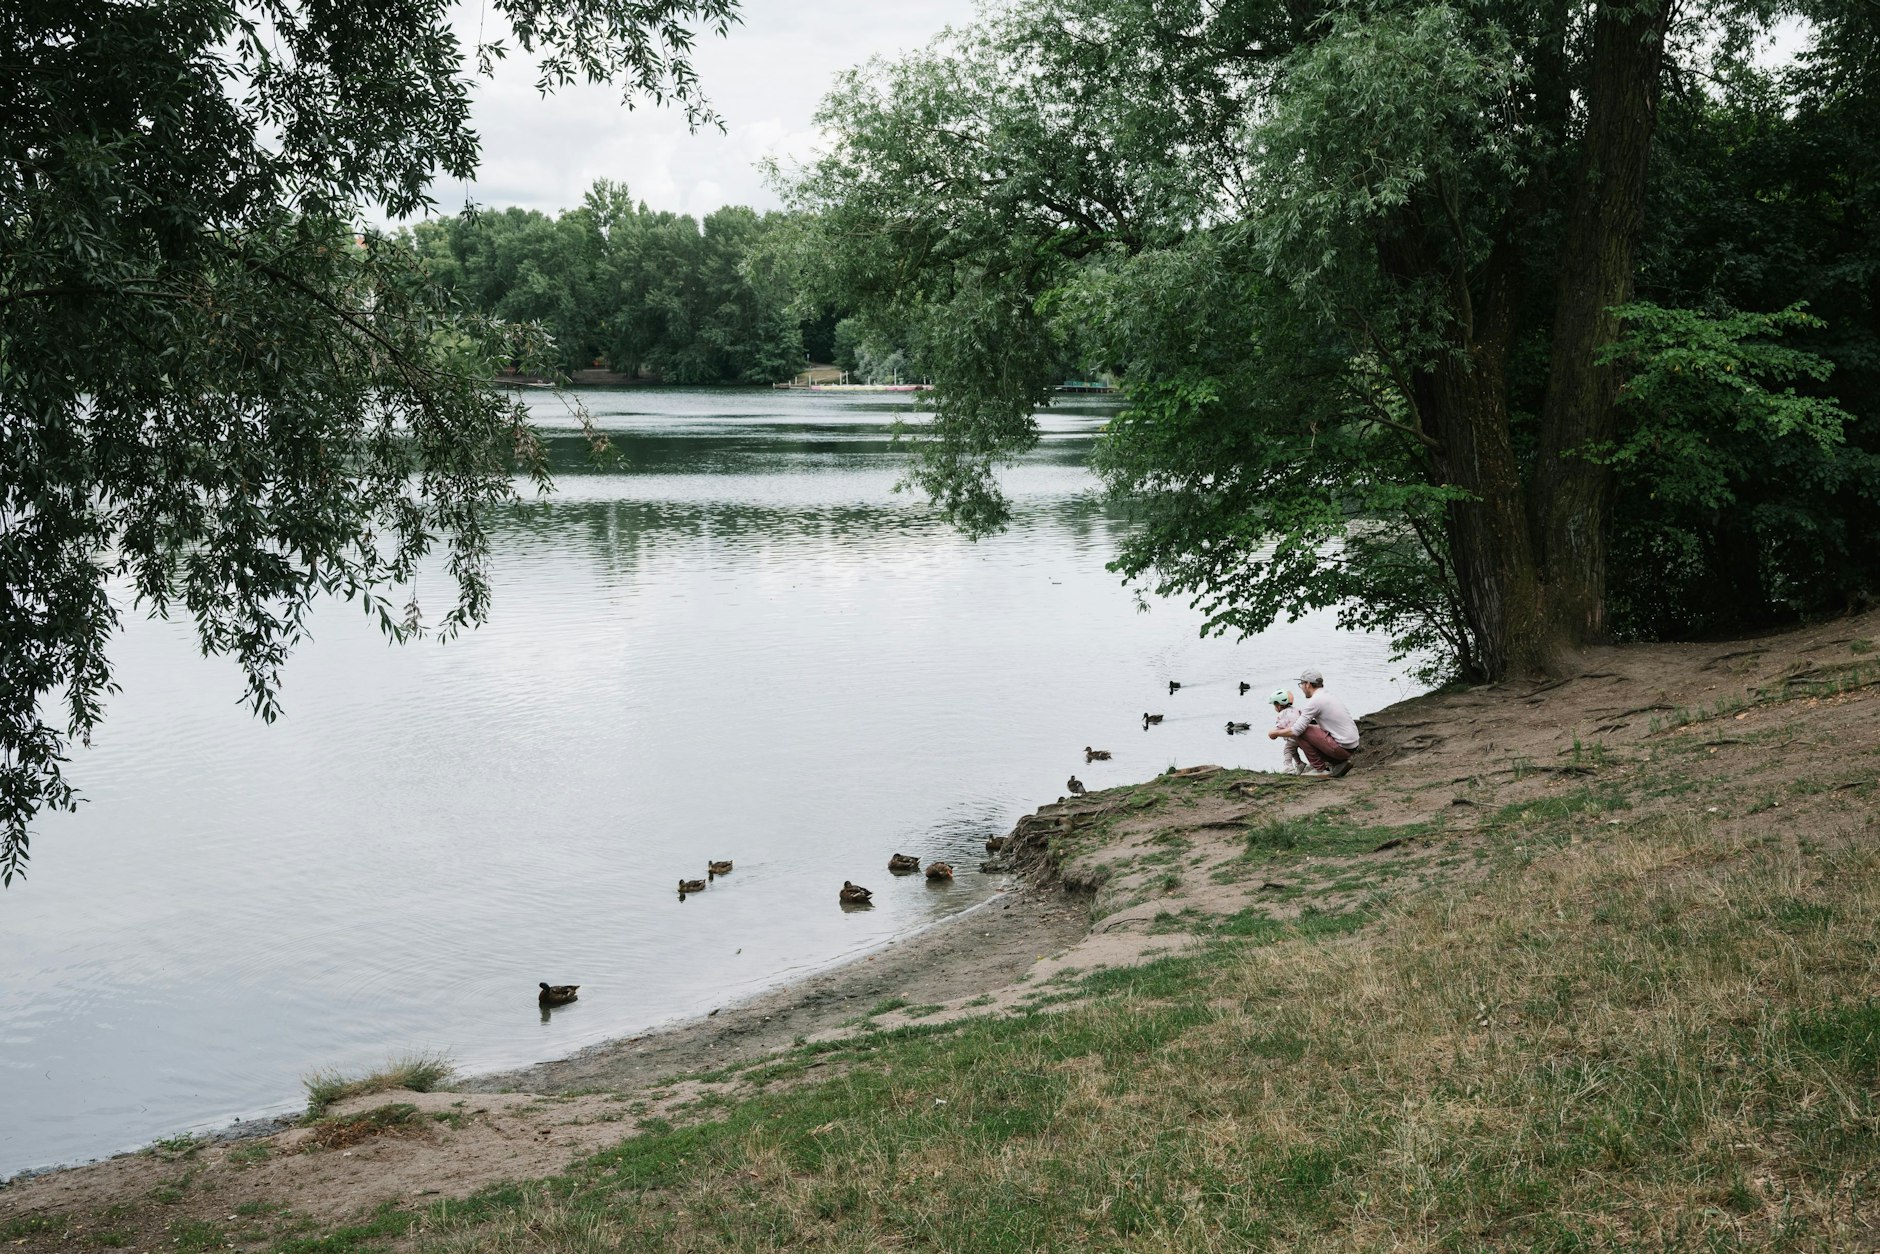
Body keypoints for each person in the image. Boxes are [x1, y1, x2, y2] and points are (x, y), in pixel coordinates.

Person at [1281, 668, 1360, 777]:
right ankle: (1338, 764)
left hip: (1342, 748)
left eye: (1301, 684)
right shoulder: (1327, 695)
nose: (1302, 688)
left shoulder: (1315, 701)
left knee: (1301, 732)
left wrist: (1274, 733)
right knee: (1311, 728)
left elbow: (1296, 730)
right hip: (1351, 746)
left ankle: (1319, 769)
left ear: (1308, 684)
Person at [1266, 689, 1307, 774]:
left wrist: (1274, 733)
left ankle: (1288, 766)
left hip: (1292, 737)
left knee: (1287, 750)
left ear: (1278, 705)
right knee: (1294, 750)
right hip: (1303, 735)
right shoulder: (1297, 709)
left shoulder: (1282, 714)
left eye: (1274, 705)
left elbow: (1280, 727)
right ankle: (1299, 763)